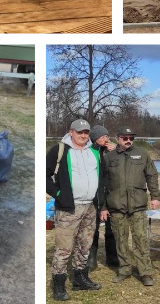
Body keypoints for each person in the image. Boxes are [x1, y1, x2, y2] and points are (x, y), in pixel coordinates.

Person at [46, 119, 104, 301]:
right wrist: (59, 194)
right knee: (64, 248)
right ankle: (59, 285)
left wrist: (99, 200)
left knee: (85, 245)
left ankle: (80, 279)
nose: (83, 135)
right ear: (71, 132)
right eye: (80, 132)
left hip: (90, 207)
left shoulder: (94, 152)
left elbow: (101, 176)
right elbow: (44, 175)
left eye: (86, 132)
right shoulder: (60, 150)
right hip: (68, 209)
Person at [101, 126, 160, 287]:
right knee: (120, 241)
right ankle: (125, 269)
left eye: (131, 138)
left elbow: (152, 175)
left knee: (140, 240)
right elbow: (103, 184)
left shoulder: (142, 154)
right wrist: (104, 207)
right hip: (116, 206)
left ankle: (145, 273)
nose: (128, 141)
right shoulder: (109, 157)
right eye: (125, 138)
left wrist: (155, 196)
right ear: (118, 138)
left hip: (138, 206)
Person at [87, 125, 118, 271]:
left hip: (110, 192)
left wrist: (117, 151)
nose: (105, 139)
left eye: (106, 136)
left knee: (111, 228)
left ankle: (112, 258)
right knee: (93, 227)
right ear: (95, 139)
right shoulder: (90, 151)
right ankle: (91, 259)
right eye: (102, 137)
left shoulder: (111, 151)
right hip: (95, 194)